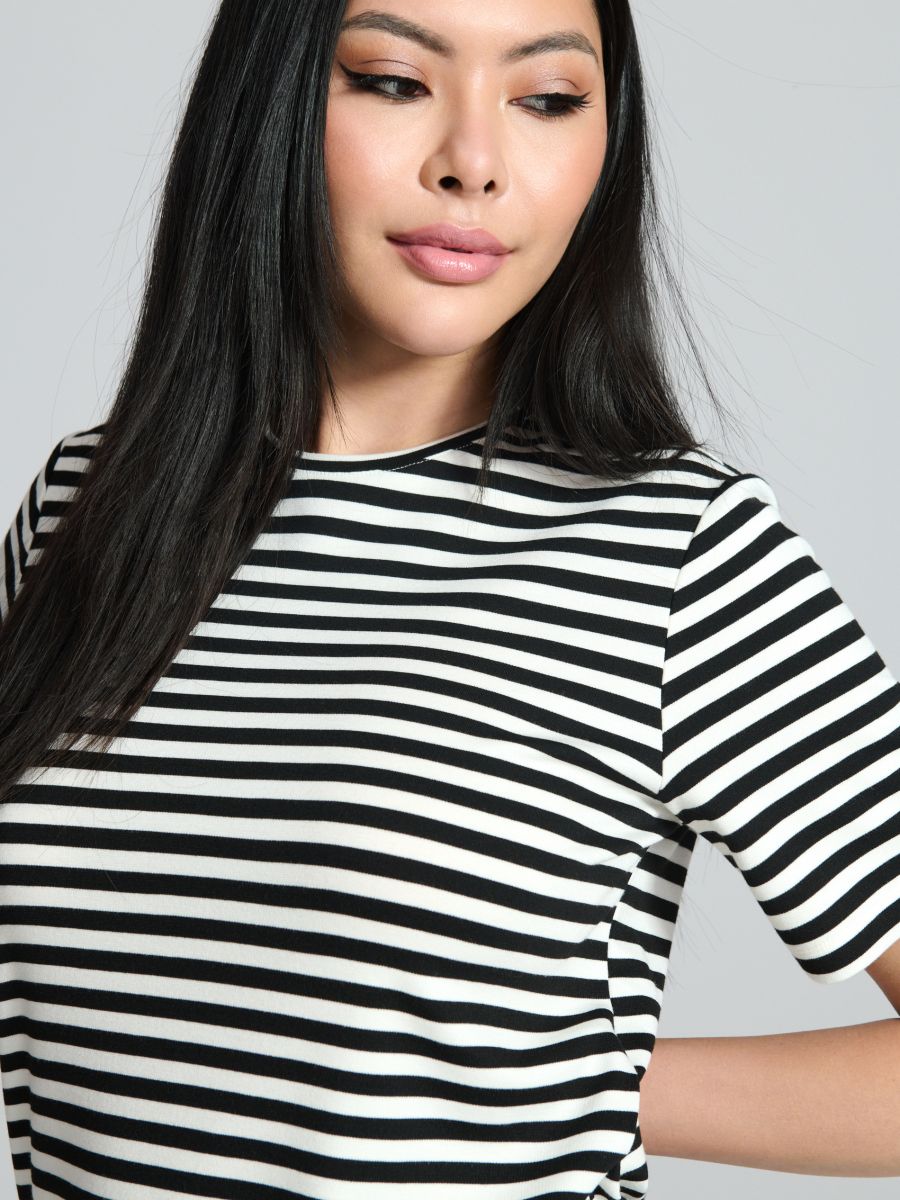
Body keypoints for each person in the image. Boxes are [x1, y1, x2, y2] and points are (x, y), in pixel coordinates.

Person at [1, 2, 898, 1197]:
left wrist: (589, 1082)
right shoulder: (84, 502)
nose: (474, 161)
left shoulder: (680, 551)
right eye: (391, 80)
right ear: (268, 108)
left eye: (547, 100)